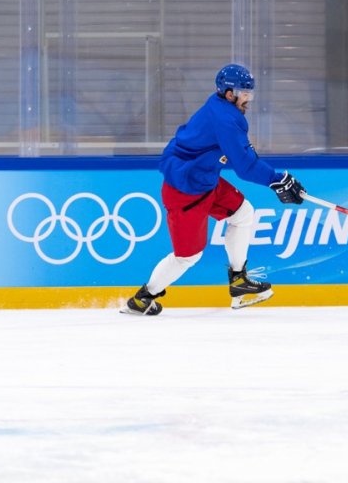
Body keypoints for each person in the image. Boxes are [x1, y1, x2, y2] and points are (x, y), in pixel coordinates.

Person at [121, 64, 306, 315]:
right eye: (244, 94)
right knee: (188, 257)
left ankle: (239, 282)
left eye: (250, 94)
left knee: (243, 214)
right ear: (229, 93)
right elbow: (245, 167)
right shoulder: (226, 119)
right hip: (185, 191)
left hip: (205, 180)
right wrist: (276, 179)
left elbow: (241, 156)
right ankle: (143, 299)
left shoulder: (223, 109)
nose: (247, 100)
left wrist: (275, 178)